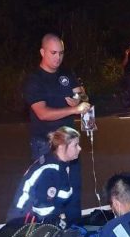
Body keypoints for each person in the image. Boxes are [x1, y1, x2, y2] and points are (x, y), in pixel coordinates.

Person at [22, 34, 90, 220]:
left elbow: (82, 97)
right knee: (48, 191)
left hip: (69, 143)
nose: (57, 57)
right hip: (46, 144)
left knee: (73, 189)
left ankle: (76, 231)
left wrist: (78, 100)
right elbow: (42, 113)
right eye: (53, 53)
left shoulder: (67, 75)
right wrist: (73, 109)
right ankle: (48, 234)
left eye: (61, 53)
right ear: (42, 52)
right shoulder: (34, 80)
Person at [7, 126, 82, 228]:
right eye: (75, 145)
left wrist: (62, 216)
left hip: (37, 216)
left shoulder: (60, 164)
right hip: (24, 220)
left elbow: (61, 198)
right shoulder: (50, 171)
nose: (79, 148)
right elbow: (43, 210)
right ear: (62, 146)